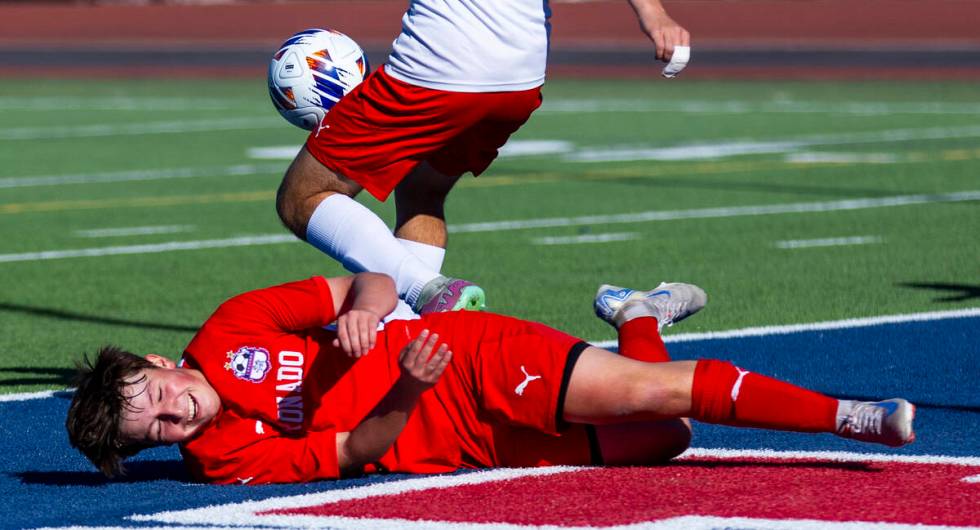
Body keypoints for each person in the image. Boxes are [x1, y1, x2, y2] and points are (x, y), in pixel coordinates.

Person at [66, 273, 915, 485]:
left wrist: (368, 307)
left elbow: (364, 283)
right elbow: (360, 447)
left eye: (161, 398)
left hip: (467, 357)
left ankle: (850, 417)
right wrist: (404, 386)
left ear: (159, 364)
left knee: (653, 394)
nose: (175, 416)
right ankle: (639, 315)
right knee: (664, 437)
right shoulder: (223, 462)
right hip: (459, 437)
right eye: (159, 432)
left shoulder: (230, 326)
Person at [275, 0, 692, 313]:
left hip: (442, 64)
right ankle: (403, 329)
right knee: (422, 189)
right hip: (520, 79)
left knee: (303, 196)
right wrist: (654, 14)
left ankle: (425, 291)